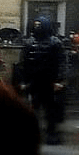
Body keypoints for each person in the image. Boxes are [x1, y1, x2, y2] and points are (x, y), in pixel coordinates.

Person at [19, 16, 66, 145]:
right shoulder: (29, 43)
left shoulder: (55, 43)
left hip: (49, 82)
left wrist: (59, 81)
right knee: (32, 109)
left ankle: (51, 133)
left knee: (51, 110)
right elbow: (24, 64)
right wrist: (23, 81)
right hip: (34, 82)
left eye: (40, 24)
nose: (37, 27)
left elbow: (62, 63)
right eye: (36, 24)